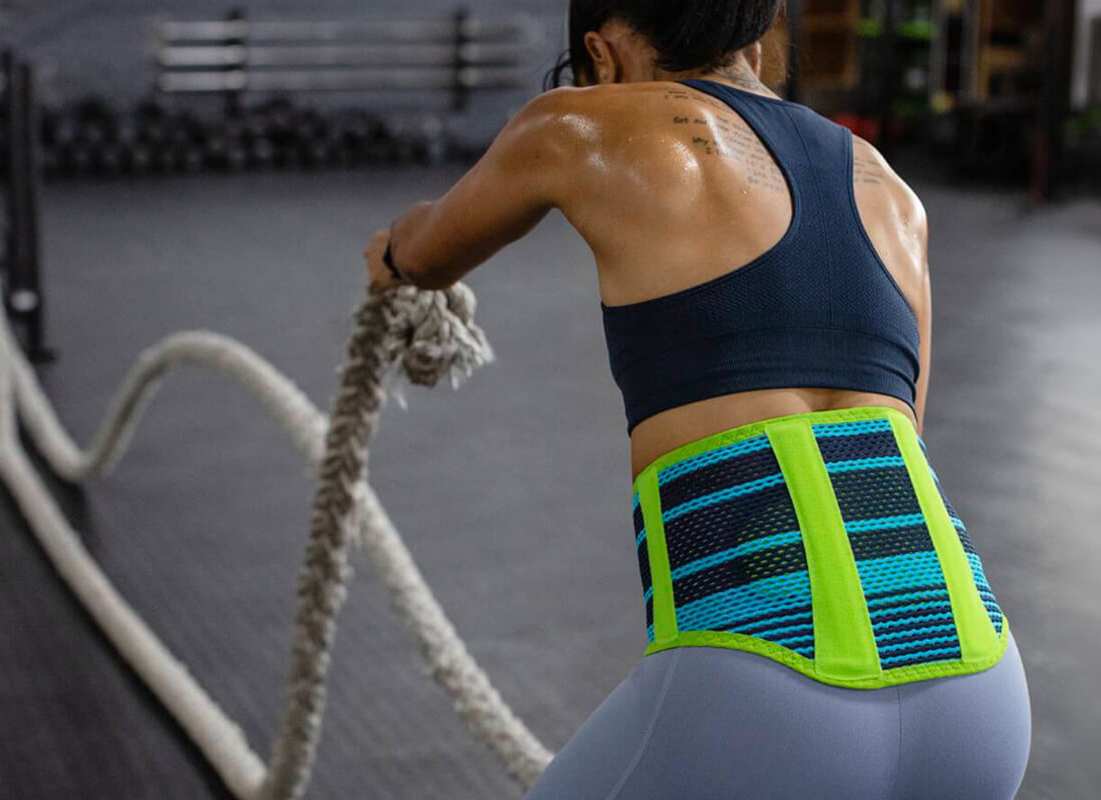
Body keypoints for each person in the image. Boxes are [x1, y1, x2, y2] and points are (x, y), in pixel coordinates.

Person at [364, 1, 1030, 796]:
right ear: (756, 46)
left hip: (771, 686)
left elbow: (427, 251)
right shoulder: (891, 191)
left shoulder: (577, 123)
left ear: (601, 55)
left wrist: (391, 257)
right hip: (979, 690)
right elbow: (903, 431)